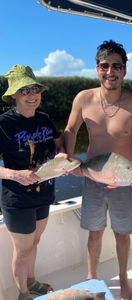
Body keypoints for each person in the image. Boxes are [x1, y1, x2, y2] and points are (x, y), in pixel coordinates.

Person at [63, 40, 132, 300]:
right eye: (105, 65)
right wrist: (69, 159)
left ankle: (124, 278)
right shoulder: (84, 98)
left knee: (122, 233)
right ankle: (92, 277)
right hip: (92, 175)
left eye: (117, 66)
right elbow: (70, 130)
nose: (110, 71)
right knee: (95, 231)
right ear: (97, 68)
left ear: (124, 70)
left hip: (122, 179)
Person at [0, 65, 63, 300]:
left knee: (34, 243)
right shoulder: (4, 124)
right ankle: (23, 294)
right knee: (22, 250)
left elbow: (58, 144)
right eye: (24, 90)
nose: (31, 94)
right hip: (17, 199)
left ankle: (32, 281)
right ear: (14, 95)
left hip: (43, 194)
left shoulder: (45, 119)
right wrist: (16, 174)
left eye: (34, 88)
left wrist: (63, 158)